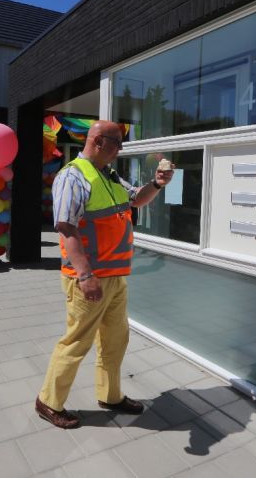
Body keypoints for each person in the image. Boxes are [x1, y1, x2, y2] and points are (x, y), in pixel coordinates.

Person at [35, 120, 175, 429]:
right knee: (77, 342)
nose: (120, 149)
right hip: (89, 278)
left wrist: (157, 184)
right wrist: (85, 276)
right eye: (117, 143)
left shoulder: (109, 175)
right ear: (98, 142)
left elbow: (137, 199)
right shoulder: (72, 176)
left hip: (115, 276)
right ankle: (48, 401)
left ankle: (110, 395)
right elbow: (66, 228)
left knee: (115, 340)